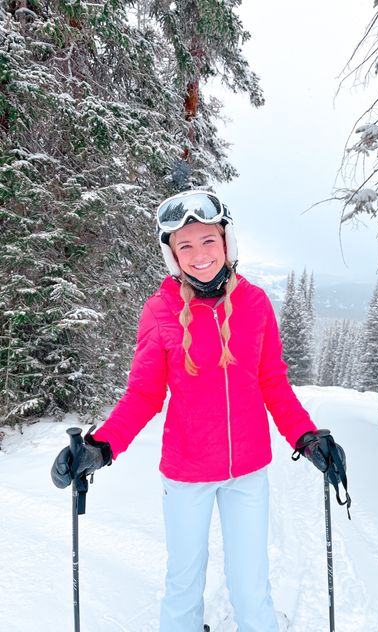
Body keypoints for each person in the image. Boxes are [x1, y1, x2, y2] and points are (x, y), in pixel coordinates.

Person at [51, 190, 343, 632]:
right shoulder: (160, 310)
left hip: (247, 473)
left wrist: (307, 437)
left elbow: (273, 384)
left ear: (227, 243)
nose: (199, 254)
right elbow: (143, 395)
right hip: (186, 474)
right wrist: (101, 446)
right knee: (183, 584)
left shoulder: (256, 303)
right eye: (184, 245)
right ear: (172, 256)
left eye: (208, 240)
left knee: (251, 587)